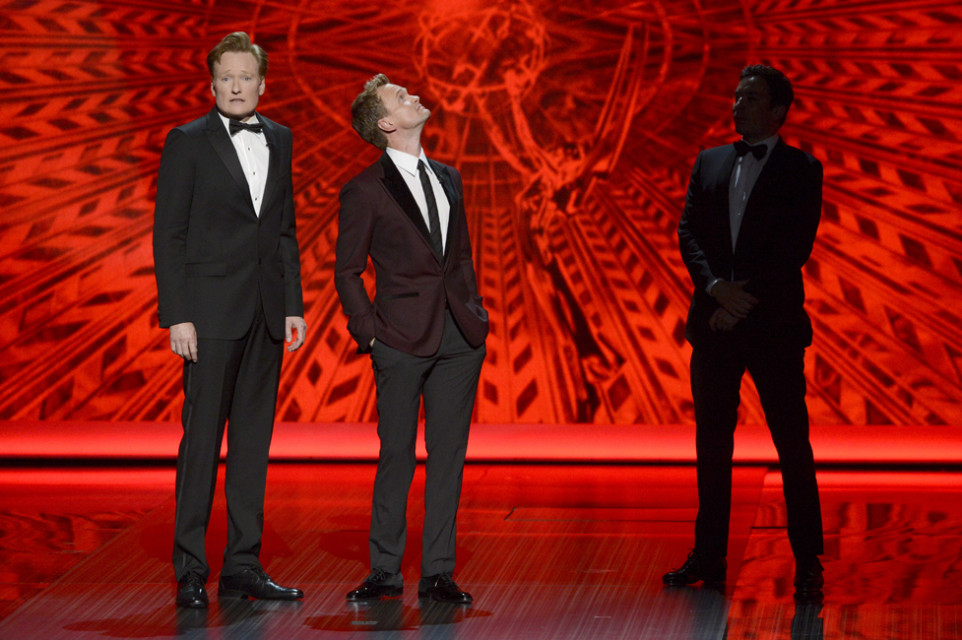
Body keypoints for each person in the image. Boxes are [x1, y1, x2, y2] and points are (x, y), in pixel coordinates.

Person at [153, 31, 306, 608]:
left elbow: (284, 228)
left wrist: (292, 302)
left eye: (246, 77)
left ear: (263, 83)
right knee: (201, 444)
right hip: (210, 316)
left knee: (252, 443)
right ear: (213, 83)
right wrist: (178, 316)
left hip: (266, 311)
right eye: (226, 78)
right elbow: (169, 233)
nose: (236, 86)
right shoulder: (187, 141)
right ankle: (191, 568)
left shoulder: (282, 139)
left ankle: (243, 564)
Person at [665, 65, 825, 600]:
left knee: (791, 445)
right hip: (714, 326)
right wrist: (714, 289)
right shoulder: (710, 161)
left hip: (771, 326)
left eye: (751, 98)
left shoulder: (803, 169)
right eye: (736, 96)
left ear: (779, 111)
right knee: (712, 446)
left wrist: (737, 302)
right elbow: (688, 231)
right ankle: (708, 555)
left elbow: (793, 249)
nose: (738, 105)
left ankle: (808, 561)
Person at [334, 74, 488, 605]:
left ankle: (439, 571)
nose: (415, 97)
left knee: (449, 455)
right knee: (396, 452)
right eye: (401, 97)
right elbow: (347, 271)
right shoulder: (364, 190)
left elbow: (459, 257)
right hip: (398, 338)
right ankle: (384, 570)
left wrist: (475, 314)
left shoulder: (449, 177)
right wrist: (369, 333)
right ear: (385, 122)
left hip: (459, 337)